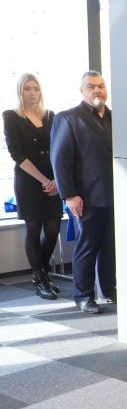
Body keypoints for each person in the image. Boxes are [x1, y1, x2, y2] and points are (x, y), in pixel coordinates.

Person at [50, 71, 115, 314]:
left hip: (114, 195)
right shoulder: (68, 118)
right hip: (85, 197)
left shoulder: (113, 118)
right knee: (87, 248)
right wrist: (69, 195)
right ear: (82, 91)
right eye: (91, 86)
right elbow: (60, 160)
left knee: (110, 247)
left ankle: (109, 289)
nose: (97, 90)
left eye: (101, 86)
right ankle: (83, 295)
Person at [3, 74, 63, 300]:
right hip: (29, 180)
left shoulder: (50, 116)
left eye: (35, 88)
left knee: (53, 229)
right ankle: (40, 279)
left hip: (53, 180)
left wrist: (57, 180)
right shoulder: (11, 116)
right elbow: (16, 153)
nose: (32, 93)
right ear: (20, 91)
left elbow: (59, 149)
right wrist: (44, 180)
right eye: (27, 88)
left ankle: (43, 271)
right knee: (34, 228)